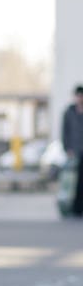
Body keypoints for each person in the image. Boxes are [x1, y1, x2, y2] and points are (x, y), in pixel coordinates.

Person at [61, 85, 83, 217]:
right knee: (73, 181)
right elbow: (64, 132)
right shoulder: (69, 112)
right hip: (75, 151)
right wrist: (67, 148)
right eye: (79, 95)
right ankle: (75, 208)